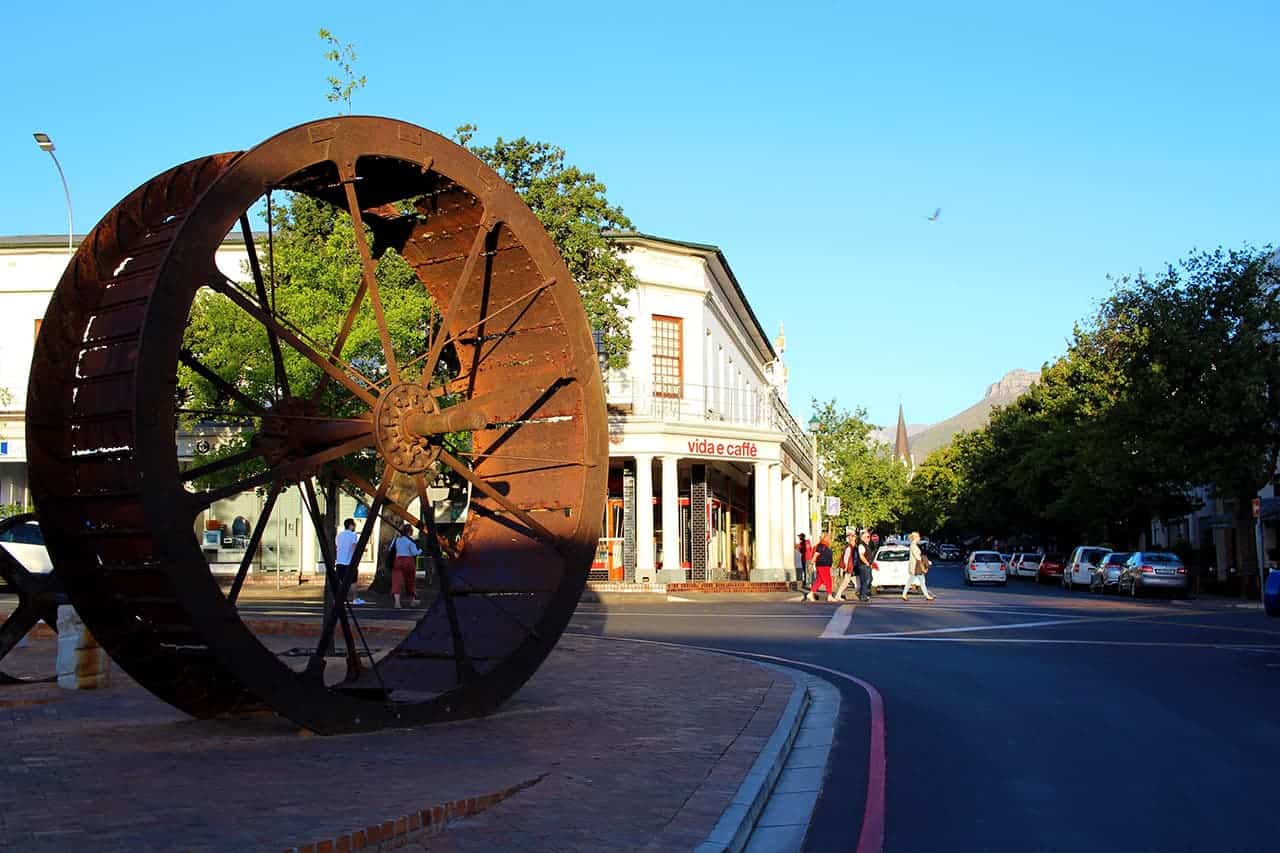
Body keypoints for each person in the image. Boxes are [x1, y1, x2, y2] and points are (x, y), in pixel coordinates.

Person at [391, 522, 423, 609]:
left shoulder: (397, 539)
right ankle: (412, 601)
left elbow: (391, 548)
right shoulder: (410, 540)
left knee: (396, 581)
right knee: (410, 581)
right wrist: (420, 550)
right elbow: (414, 553)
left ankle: (397, 603)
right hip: (408, 561)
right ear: (410, 531)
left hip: (398, 560)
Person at [334, 518, 365, 605]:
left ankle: (340, 598)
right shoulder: (353, 535)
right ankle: (355, 599)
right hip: (349, 562)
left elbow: (337, 545)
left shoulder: (339, 535)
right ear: (351, 525)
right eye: (354, 524)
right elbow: (354, 546)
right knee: (353, 582)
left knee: (340, 581)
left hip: (340, 561)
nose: (355, 526)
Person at [904, 531, 936, 602]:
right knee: (921, 581)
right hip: (916, 566)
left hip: (915, 566)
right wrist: (926, 563)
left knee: (912, 580)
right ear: (915, 538)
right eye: (918, 537)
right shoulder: (913, 546)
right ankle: (927, 596)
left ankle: (904, 594)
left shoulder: (913, 545)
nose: (919, 539)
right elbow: (918, 557)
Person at [805, 534, 836, 602]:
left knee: (820, 580)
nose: (829, 539)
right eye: (827, 538)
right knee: (828, 580)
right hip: (822, 565)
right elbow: (816, 555)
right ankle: (830, 595)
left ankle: (811, 593)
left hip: (826, 565)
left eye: (829, 538)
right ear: (824, 538)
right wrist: (811, 564)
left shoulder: (826, 546)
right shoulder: (821, 545)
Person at [832, 532, 858, 601]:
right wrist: (845, 567)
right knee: (847, 582)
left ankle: (838, 595)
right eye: (852, 537)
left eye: (854, 537)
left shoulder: (854, 547)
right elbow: (846, 558)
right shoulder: (849, 547)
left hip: (853, 567)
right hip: (850, 567)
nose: (854, 539)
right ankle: (838, 595)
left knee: (851, 582)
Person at [856, 530, 874, 602]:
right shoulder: (861, 545)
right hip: (863, 566)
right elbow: (861, 555)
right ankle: (863, 596)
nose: (869, 538)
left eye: (869, 537)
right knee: (865, 580)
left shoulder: (866, 545)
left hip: (866, 565)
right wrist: (867, 563)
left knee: (868, 579)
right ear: (862, 537)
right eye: (867, 537)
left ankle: (863, 594)